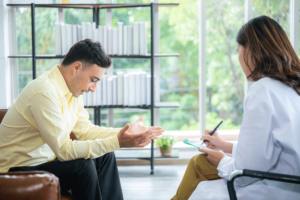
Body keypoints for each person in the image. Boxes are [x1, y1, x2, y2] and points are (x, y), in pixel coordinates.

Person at [0, 39, 164, 200]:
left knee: (105, 156)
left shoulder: (72, 92)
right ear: (77, 67)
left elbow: (85, 131)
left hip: (43, 163)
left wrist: (123, 134)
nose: (93, 89)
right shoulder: (44, 91)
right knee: (82, 167)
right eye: (93, 80)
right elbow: (64, 151)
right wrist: (119, 142)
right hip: (14, 170)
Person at [172, 15, 300, 200]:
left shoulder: (263, 91)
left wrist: (221, 160)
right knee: (199, 163)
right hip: (290, 184)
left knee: (199, 164)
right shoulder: (292, 86)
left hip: (271, 188)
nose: (238, 58)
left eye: (238, 50)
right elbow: (270, 149)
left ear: (251, 51)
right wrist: (224, 146)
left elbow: (245, 174)